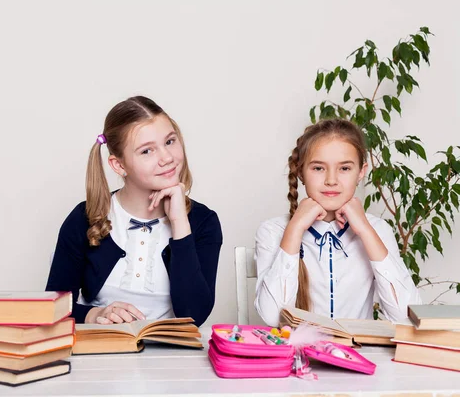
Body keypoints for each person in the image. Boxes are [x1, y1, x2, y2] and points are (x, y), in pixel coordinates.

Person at [46, 96, 222, 326]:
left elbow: (194, 315)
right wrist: (94, 315)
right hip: (99, 353)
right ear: (119, 165)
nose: (167, 158)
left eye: (169, 142)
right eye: (147, 151)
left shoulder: (203, 222)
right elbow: (52, 308)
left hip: (171, 358)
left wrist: (179, 222)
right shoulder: (84, 218)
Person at [254, 118, 421, 326]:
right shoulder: (273, 231)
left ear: (361, 171)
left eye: (344, 168)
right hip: (297, 356)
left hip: (361, 354)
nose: (331, 180)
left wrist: (365, 231)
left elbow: (405, 317)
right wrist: (295, 229)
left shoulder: (378, 230)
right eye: (318, 168)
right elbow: (272, 318)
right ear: (300, 171)